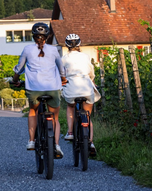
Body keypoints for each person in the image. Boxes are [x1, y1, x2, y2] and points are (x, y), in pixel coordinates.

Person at [11, 22, 67, 158]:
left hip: (34, 89)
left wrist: (15, 80)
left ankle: (31, 141)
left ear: (33, 36)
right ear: (47, 36)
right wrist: (63, 79)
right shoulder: (53, 50)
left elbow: (19, 68)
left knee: (33, 110)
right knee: (55, 117)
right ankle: (56, 145)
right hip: (53, 88)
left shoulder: (27, 49)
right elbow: (61, 69)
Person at [62, 33, 101, 156]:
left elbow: (61, 74)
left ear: (67, 45)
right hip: (86, 86)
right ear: (79, 44)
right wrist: (92, 81)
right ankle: (91, 142)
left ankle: (70, 132)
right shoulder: (85, 56)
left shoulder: (64, 58)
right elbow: (91, 72)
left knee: (70, 106)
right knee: (88, 114)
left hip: (71, 86)